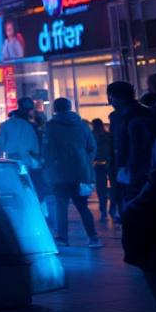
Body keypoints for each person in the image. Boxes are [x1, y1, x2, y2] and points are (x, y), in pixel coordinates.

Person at [42, 98, 102, 248]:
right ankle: (93, 238)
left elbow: (47, 151)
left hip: (59, 172)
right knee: (82, 206)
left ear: (55, 109)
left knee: (61, 205)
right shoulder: (82, 126)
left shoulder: (50, 127)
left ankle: (63, 237)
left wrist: (49, 167)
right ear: (70, 107)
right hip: (81, 172)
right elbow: (92, 148)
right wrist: (84, 161)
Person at [108, 81, 154, 204]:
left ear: (113, 97)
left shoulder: (120, 117)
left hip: (131, 172)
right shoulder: (148, 113)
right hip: (145, 172)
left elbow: (126, 147)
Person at [0, 98, 44, 201]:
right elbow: (36, 146)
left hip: (13, 160)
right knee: (33, 187)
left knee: (19, 187)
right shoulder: (32, 124)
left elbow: (0, 145)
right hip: (30, 160)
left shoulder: (6, 125)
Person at [91, 119, 114, 222]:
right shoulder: (108, 136)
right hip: (110, 163)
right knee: (113, 187)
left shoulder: (92, 136)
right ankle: (112, 209)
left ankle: (103, 210)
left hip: (97, 165)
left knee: (101, 189)